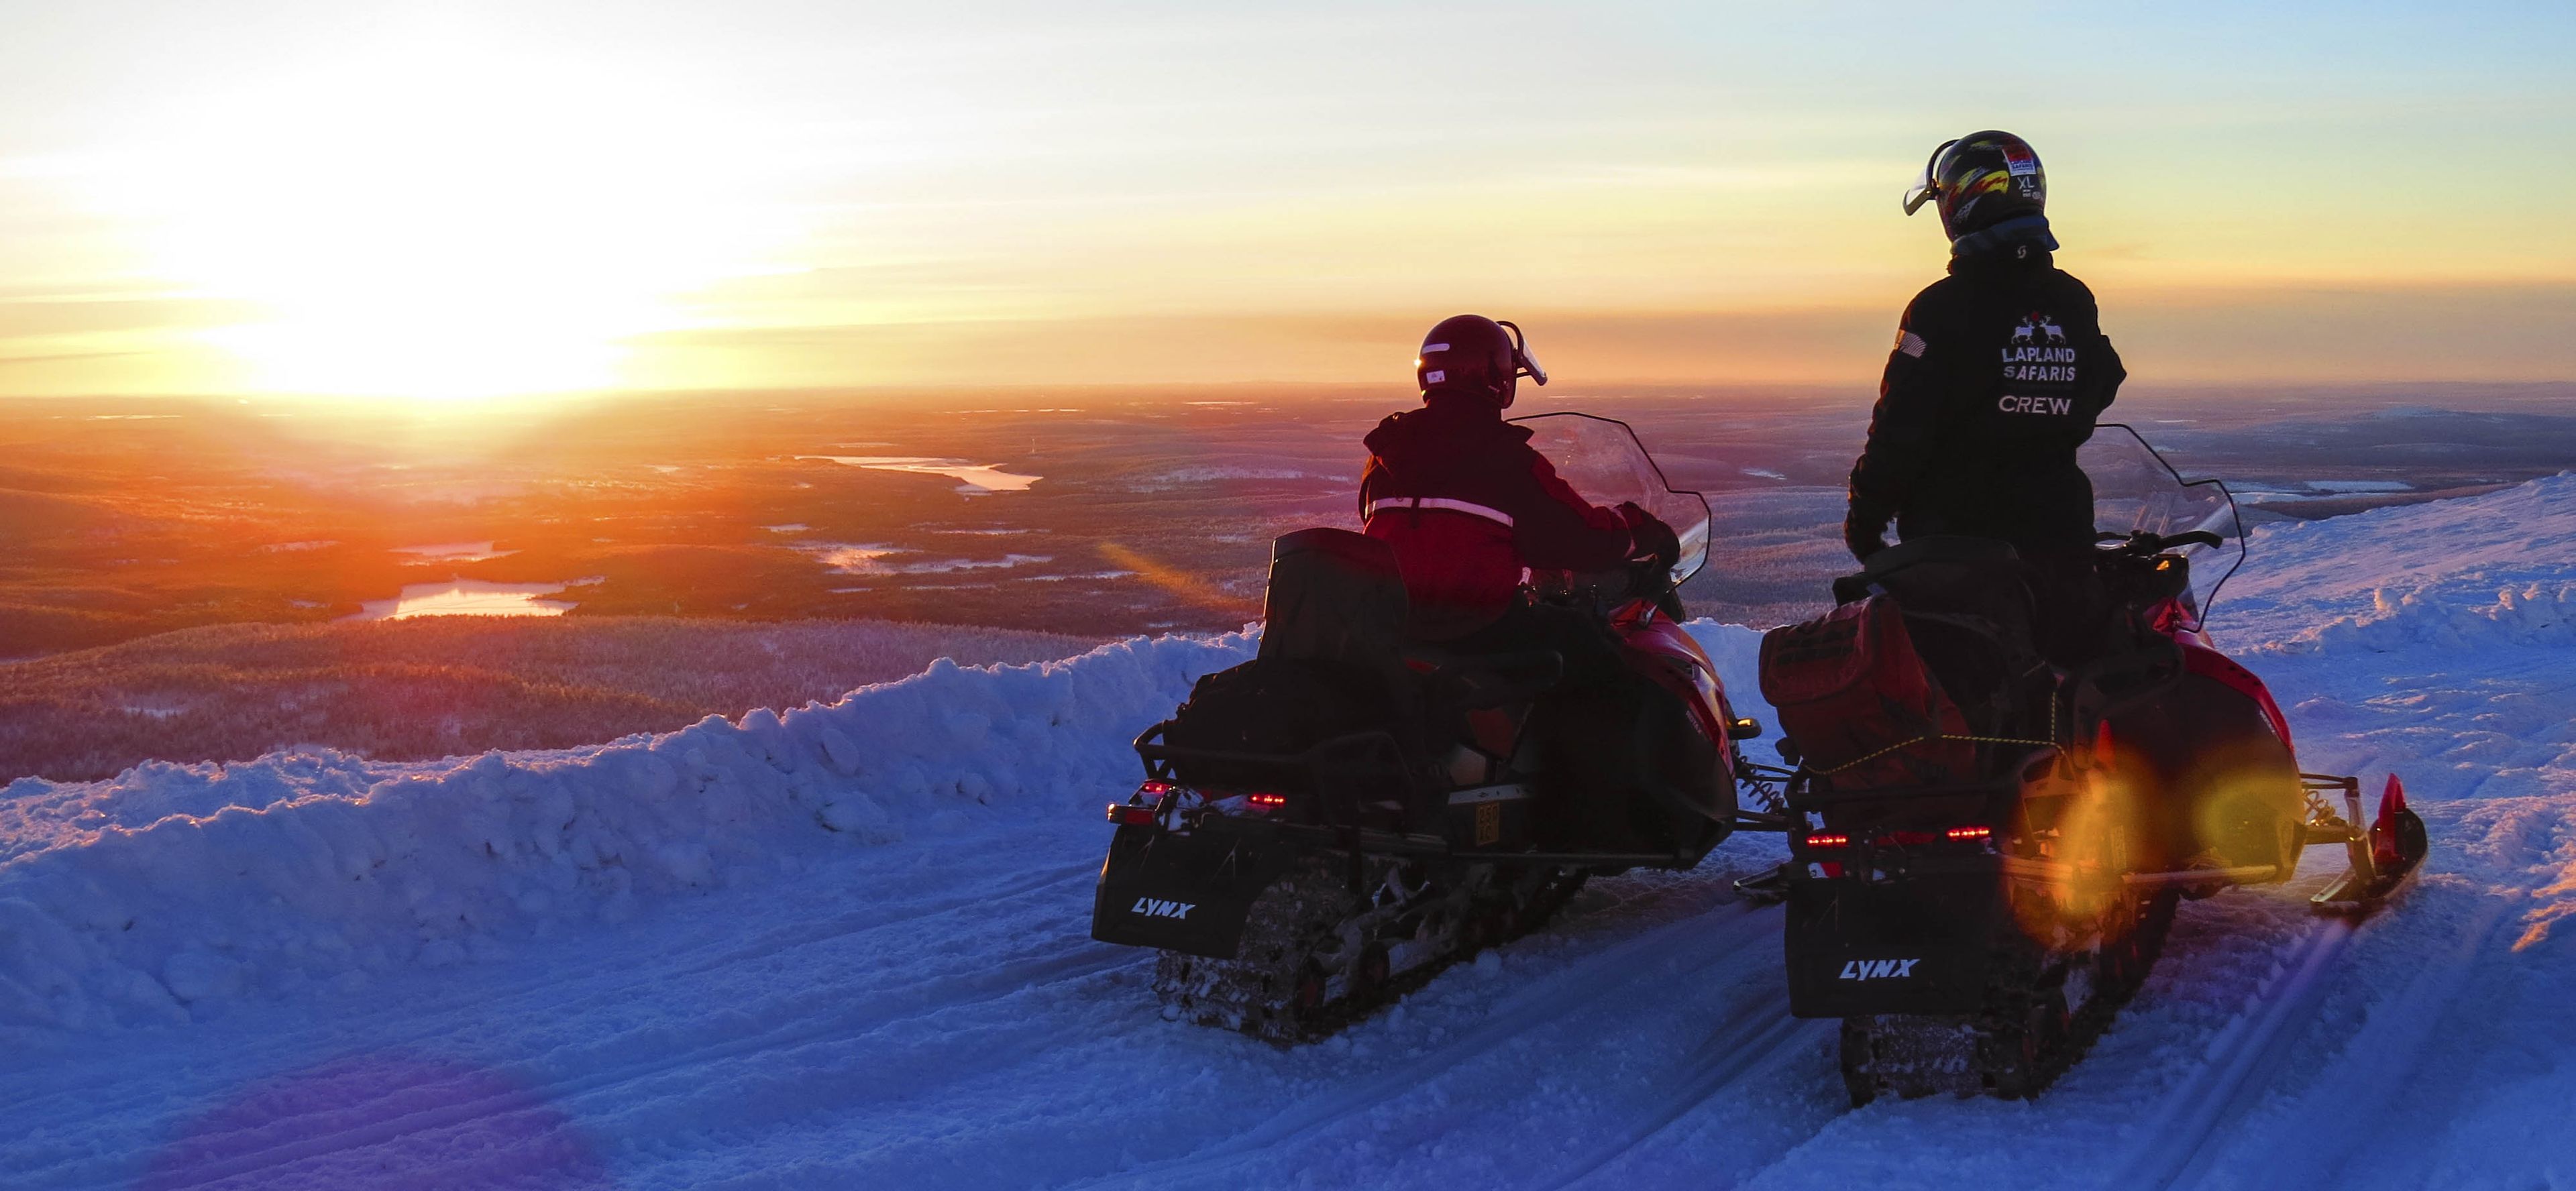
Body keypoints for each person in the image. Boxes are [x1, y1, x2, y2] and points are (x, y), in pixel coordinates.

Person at [1843, 131, 2127, 665]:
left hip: (1958, 550)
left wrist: (1865, 519)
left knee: (1963, 696)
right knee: (2068, 681)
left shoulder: (1939, 310)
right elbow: (2103, 377)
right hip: (2060, 537)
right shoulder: (2072, 299)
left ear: (1961, 203)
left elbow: (1900, 426)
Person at [1357, 315, 1676, 672]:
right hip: (1478, 630)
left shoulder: (1385, 457)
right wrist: (1647, 531)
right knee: (1600, 653)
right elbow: (1582, 538)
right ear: (1498, 379)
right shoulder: (1507, 460)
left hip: (1396, 631)